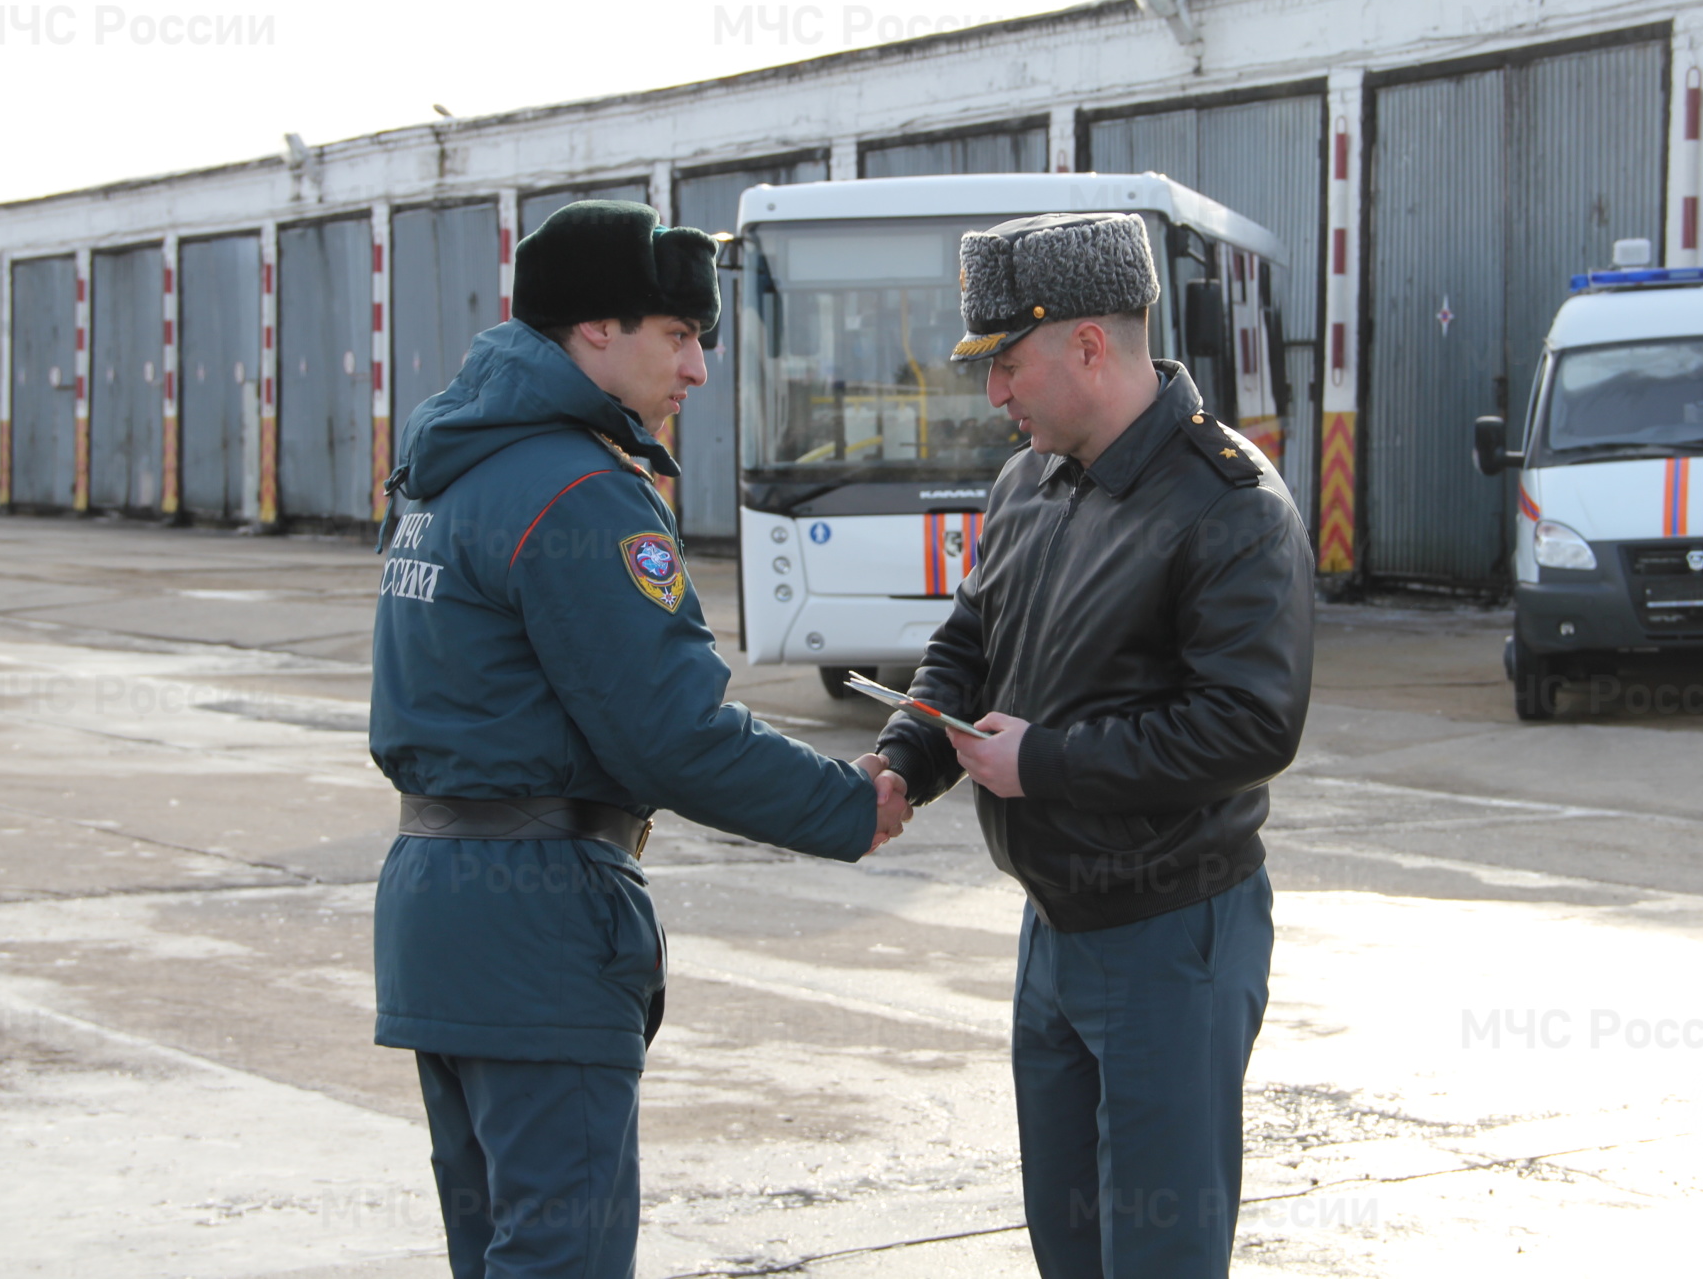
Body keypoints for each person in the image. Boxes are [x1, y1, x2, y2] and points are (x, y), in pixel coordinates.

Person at [367, 199, 910, 1279]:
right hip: (540, 918)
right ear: (592, 333)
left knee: (494, 1249)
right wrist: (852, 803)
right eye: (678, 335)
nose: (699, 369)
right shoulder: (578, 491)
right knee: (562, 1254)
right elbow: (674, 735)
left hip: (437, 907)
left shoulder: (454, 467)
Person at [876, 211, 1313, 1278]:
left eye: (1006, 365)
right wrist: (905, 757)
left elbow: (1249, 724)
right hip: (1055, 928)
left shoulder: (1230, 506)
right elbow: (969, 641)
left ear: (1085, 345)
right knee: (1069, 1248)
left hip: (1170, 932)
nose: (994, 395)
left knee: (1157, 1254)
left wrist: (1045, 763)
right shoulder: (1030, 482)